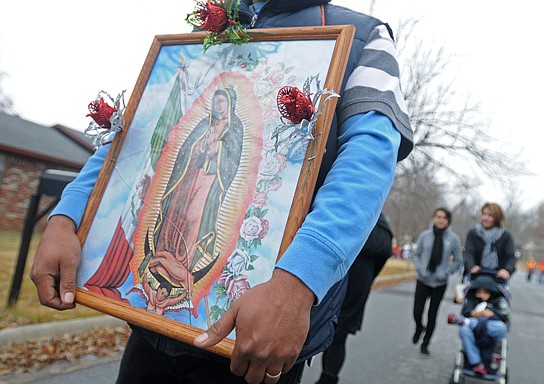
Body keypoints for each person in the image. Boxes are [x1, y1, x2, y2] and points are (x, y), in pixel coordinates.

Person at [29, 1, 414, 384]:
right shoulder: (204, 32)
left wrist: (297, 282)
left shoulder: (365, 37)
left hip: (253, 346)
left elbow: (369, 159)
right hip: (151, 334)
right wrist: (67, 218)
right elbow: (133, 132)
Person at [315, 214, 394, 384]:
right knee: (329, 332)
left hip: (355, 283)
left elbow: (383, 250)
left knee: (339, 334)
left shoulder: (376, 220)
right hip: (338, 280)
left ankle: (328, 378)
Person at [411, 208, 463, 356]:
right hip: (423, 279)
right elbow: (416, 255)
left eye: (444, 218)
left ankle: (426, 342)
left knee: (432, 313)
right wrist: (420, 269)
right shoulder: (425, 236)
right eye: (438, 217)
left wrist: (445, 273)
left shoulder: (453, 239)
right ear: (434, 218)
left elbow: (458, 262)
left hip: (439, 283)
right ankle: (419, 327)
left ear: (448, 221)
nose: (440, 220)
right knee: (417, 311)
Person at [447, 274, 510, 376]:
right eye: (479, 292)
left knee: (501, 327)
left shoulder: (498, 301)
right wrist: (477, 314)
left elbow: (504, 316)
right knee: (464, 330)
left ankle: (466, 322)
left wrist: (491, 313)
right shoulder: (473, 300)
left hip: (492, 328)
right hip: (475, 331)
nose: (481, 295)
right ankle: (477, 363)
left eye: (485, 292)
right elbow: (466, 311)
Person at [463, 202, 516, 282]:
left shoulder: (505, 236)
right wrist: (471, 266)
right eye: (484, 214)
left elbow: (510, 257)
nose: (485, 218)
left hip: (498, 278)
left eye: (490, 215)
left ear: (497, 218)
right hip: (475, 276)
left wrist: (507, 270)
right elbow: (468, 252)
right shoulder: (473, 233)